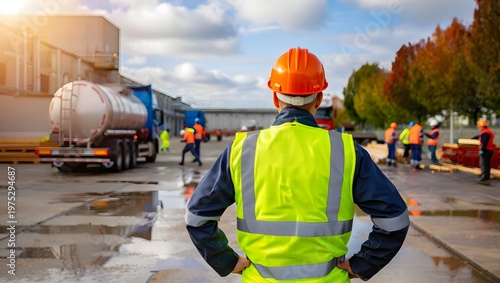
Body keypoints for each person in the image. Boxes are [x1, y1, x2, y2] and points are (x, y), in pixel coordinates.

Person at [185, 47, 409, 282]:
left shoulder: (242, 150)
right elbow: (395, 219)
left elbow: (197, 217)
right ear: (319, 98)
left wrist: (226, 261)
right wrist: (362, 264)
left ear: (274, 97)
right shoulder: (345, 151)